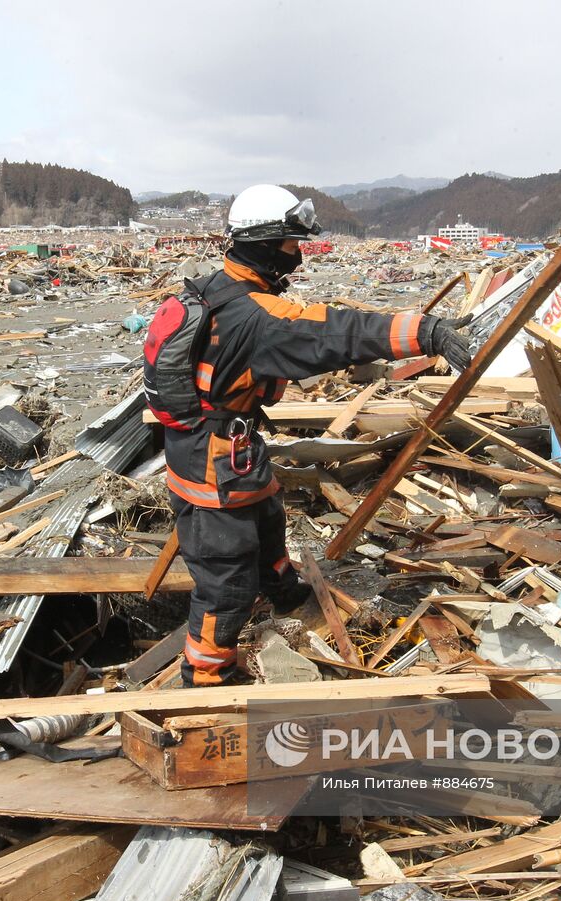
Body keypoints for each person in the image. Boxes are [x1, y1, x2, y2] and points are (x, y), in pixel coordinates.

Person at [163, 184, 475, 686]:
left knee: (264, 517)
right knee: (225, 578)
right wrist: (426, 332)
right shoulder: (257, 316)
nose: (298, 256)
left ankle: (282, 590)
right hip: (214, 462)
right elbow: (337, 331)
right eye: (291, 245)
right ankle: (206, 675)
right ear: (266, 244)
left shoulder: (211, 290)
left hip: (217, 446)